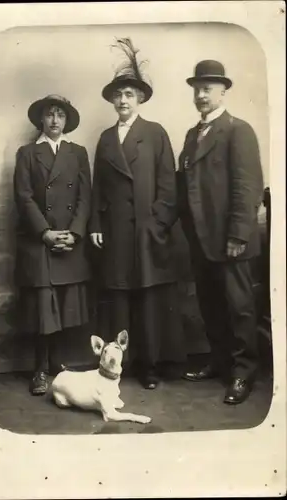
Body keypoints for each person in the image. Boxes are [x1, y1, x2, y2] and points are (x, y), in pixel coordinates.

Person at [89, 38, 184, 390]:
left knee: (148, 300)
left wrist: (157, 222)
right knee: (119, 299)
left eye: (129, 94)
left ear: (140, 99)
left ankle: (150, 366)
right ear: (113, 101)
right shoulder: (105, 138)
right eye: (119, 95)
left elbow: (168, 186)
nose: (123, 100)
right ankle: (117, 366)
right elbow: (99, 186)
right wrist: (97, 224)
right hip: (115, 232)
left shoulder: (155, 134)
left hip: (147, 232)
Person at [177, 60, 264, 404]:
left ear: (223, 91)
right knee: (210, 305)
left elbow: (248, 185)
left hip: (230, 240)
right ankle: (219, 361)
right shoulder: (191, 134)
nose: (201, 95)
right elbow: (186, 184)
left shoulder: (238, 130)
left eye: (208, 88)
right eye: (197, 89)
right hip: (200, 238)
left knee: (239, 307)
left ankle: (243, 373)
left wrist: (239, 236)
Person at [13, 94, 92, 395]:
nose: (55, 120)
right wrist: (45, 232)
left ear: (67, 120)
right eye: (50, 115)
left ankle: (59, 366)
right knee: (44, 311)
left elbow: (86, 196)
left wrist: (75, 233)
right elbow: (23, 197)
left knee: (65, 307)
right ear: (41, 120)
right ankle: (40, 369)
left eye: (60, 114)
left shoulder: (78, 152)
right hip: (40, 241)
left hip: (70, 240)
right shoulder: (28, 153)